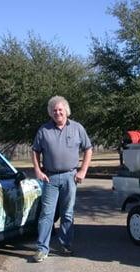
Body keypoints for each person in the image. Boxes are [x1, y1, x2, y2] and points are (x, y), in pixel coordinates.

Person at [31, 95, 92, 262]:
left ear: (66, 111)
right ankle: (42, 249)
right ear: (51, 113)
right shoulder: (44, 130)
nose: (57, 112)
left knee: (67, 213)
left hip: (70, 177)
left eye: (60, 109)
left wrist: (83, 171)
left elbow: (88, 149)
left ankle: (65, 245)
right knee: (47, 214)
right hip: (50, 178)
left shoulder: (77, 128)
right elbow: (35, 151)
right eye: (54, 110)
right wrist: (37, 170)